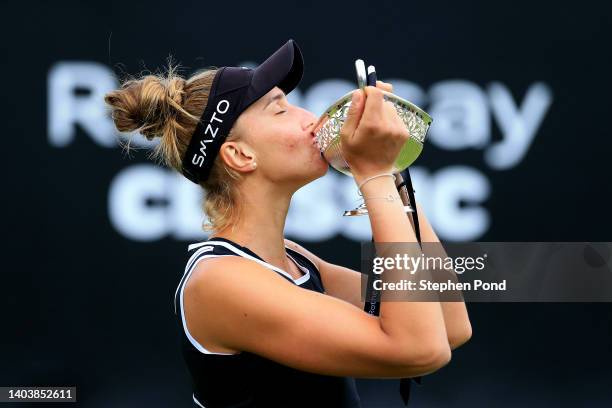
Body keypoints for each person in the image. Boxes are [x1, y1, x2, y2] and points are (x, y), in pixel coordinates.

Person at [104, 39, 472, 408]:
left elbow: (448, 321)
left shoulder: (294, 261)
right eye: (279, 110)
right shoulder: (220, 282)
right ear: (240, 155)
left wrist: (392, 172)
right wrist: (373, 173)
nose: (309, 118)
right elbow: (420, 349)